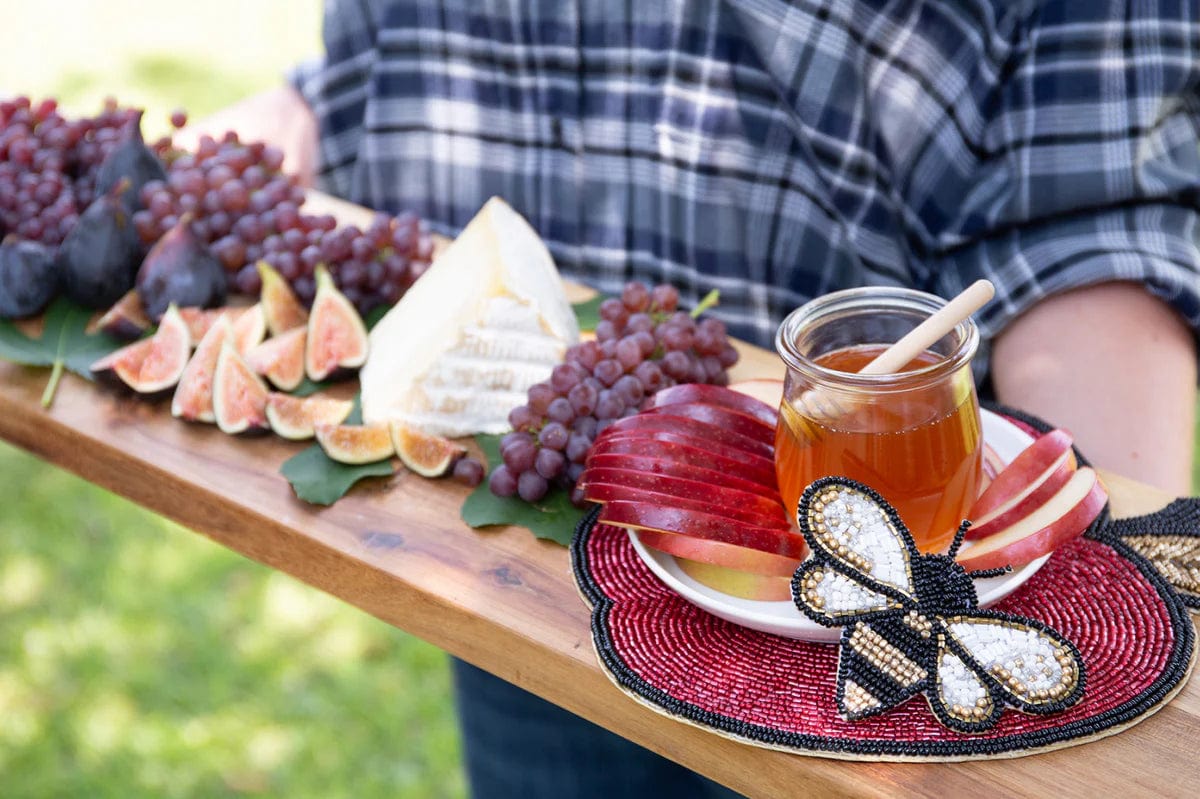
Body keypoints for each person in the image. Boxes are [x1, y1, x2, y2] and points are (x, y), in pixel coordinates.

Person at [186, 1, 1200, 796]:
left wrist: (1090, 639)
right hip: (520, 550)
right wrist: (307, 107)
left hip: (877, 637)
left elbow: (1091, 212)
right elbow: (397, 47)